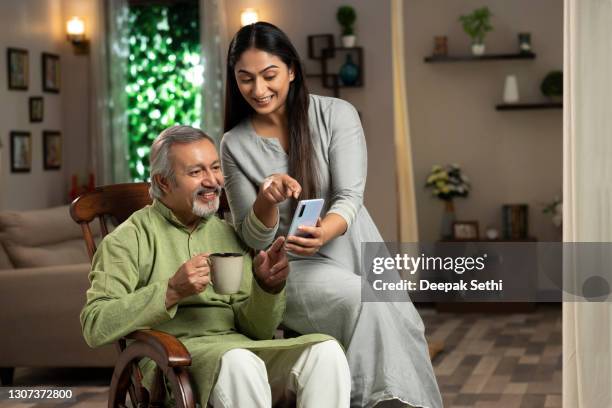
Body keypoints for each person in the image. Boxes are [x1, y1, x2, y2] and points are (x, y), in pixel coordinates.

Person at [220, 22, 443, 408]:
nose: (259, 90)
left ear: (291, 69)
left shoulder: (336, 113)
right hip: (289, 266)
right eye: (245, 79)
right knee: (363, 303)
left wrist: (325, 232)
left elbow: (349, 196)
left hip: (352, 245)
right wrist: (265, 200)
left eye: (269, 75)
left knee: (405, 323)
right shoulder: (234, 144)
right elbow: (252, 239)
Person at [80, 125, 351, 408]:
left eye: (215, 168)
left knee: (325, 351)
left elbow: (257, 331)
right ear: (163, 182)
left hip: (241, 353)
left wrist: (266, 287)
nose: (213, 181)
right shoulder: (127, 240)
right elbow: (95, 323)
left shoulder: (228, 233)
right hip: (175, 365)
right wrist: (170, 291)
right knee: (238, 361)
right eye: (196, 172)